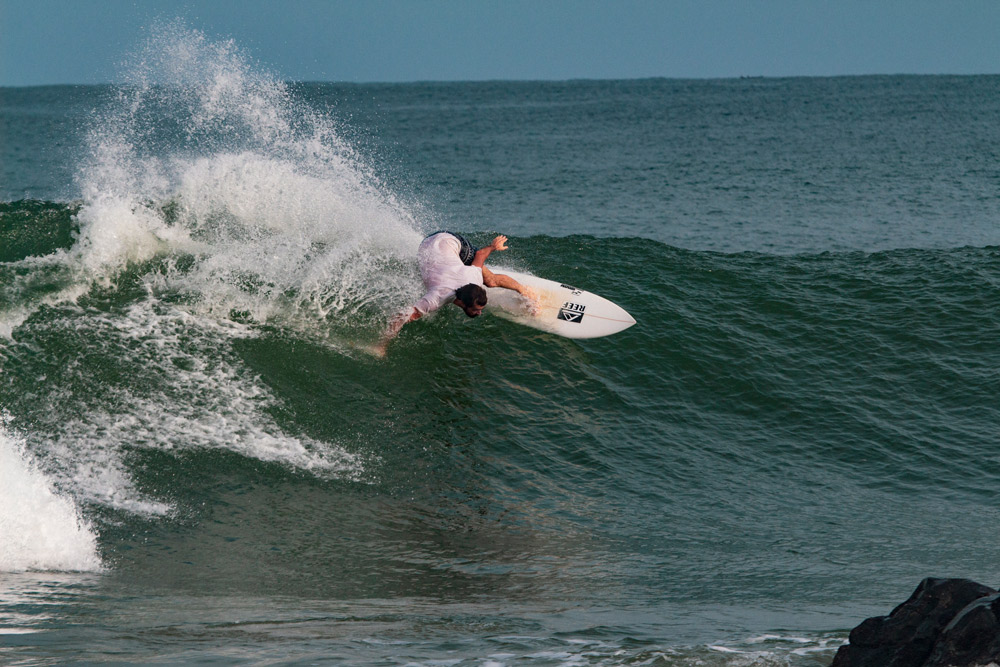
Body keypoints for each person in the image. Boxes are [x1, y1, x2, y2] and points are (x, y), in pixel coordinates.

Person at [374, 231, 535, 355]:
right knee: (491, 280)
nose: (479, 313)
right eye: (476, 310)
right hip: (438, 243)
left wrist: (493, 247)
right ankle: (524, 289)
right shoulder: (437, 298)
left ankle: (524, 291)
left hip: (437, 242)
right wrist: (382, 345)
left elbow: (479, 255)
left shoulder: (474, 278)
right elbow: (400, 316)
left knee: (489, 282)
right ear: (461, 302)